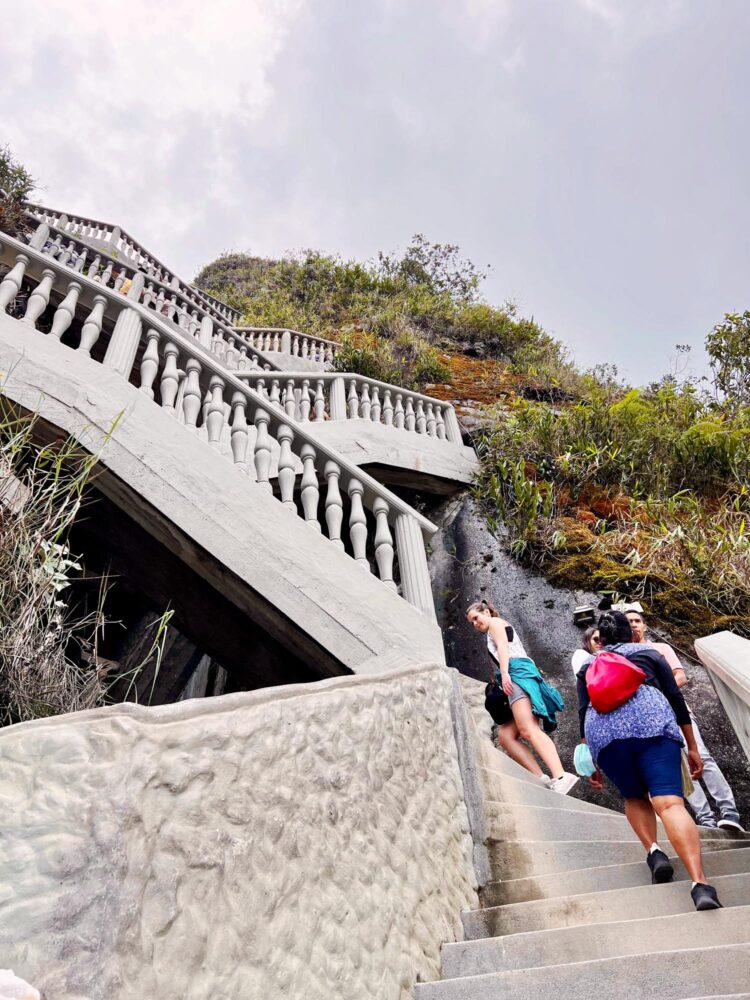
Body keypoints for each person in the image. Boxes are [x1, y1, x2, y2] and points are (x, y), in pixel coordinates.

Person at [577, 611, 722, 910]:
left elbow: (582, 713)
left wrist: (591, 759)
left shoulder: (589, 665)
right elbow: (675, 698)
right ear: (629, 633)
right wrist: (692, 747)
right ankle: (700, 884)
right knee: (669, 804)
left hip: (605, 738)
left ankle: (654, 851)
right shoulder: (648, 653)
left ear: (600, 640)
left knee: (634, 796)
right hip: (652, 726)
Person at [626, 608, 744, 833]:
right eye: (628, 622)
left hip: (677, 712)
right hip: (652, 720)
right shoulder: (625, 654)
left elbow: (680, 676)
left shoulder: (659, 648)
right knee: (679, 766)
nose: (633, 625)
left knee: (702, 756)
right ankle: (705, 818)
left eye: (637, 621)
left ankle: (729, 812)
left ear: (645, 625)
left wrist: (656, 692)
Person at [467, 600, 579, 794]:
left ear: (486, 611)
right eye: (471, 622)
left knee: (528, 729)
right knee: (506, 736)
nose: (475, 624)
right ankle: (541, 779)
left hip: (516, 672)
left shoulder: (495, 623)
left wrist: (505, 673)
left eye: (476, 618)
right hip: (515, 674)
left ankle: (561, 775)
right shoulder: (492, 629)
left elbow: (502, 645)